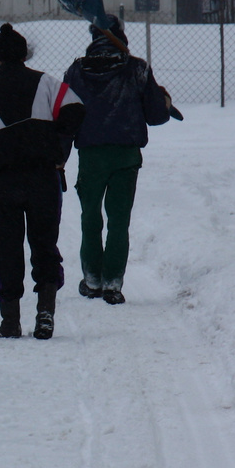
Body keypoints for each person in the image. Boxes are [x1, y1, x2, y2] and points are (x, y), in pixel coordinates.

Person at [0, 23, 85, 340]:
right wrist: (56, 145)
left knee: (4, 249)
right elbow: (75, 110)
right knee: (45, 245)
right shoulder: (46, 83)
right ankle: (45, 315)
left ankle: (10, 322)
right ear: (23, 54)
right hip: (43, 179)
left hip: (3, 185)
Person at [63, 17, 173, 306]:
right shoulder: (137, 68)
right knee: (118, 220)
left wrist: (59, 157)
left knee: (90, 218)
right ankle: (113, 282)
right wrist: (163, 99)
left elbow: (65, 116)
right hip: (126, 154)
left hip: (90, 155)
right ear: (120, 36)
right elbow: (156, 116)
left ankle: (92, 280)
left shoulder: (76, 71)